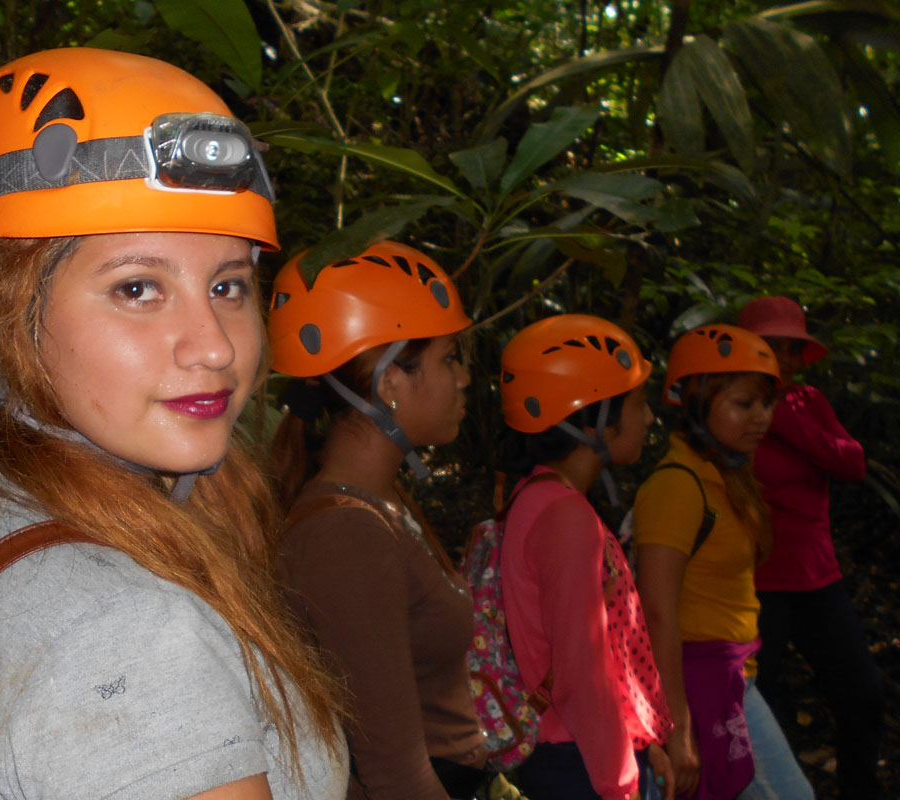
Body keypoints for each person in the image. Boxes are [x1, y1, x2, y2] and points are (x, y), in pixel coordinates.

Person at [0, 48, 347, 799]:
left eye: (228, 284)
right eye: (138, 287)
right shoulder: (121, 633)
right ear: (4, 309)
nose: (214, 345)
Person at [268, 241, 489, 800]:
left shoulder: (378, 503)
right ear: (390, 383)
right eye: (449, 358)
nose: (463, 379)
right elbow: (398, 776)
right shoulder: (347, 536)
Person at [497, 314, 675, 800]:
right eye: (638, 404)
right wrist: (620, 782)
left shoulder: (538, 496)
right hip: (581, 763)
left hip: (584, 751)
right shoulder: (565, 517)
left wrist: (641, 742)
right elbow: (581, 672)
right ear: (591, 418)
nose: (649, 418)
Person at [632, 324, 813, 800]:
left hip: (733, 677)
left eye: (765, 404)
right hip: (696, 682)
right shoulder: (677, 487)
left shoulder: (725, 477)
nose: (761, 418)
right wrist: (677, 728)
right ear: (697, 403)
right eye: (744, 404)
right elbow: (656, 613)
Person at [737, 296, 883, 799]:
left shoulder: (808, 404)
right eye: (770, 348)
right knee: (761, 704)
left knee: (863, 696)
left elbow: (853, 462)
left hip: (819, 578)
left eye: (790, 349)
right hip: (757, 585)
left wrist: (788, 424)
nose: (783, 359)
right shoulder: (730, 412)